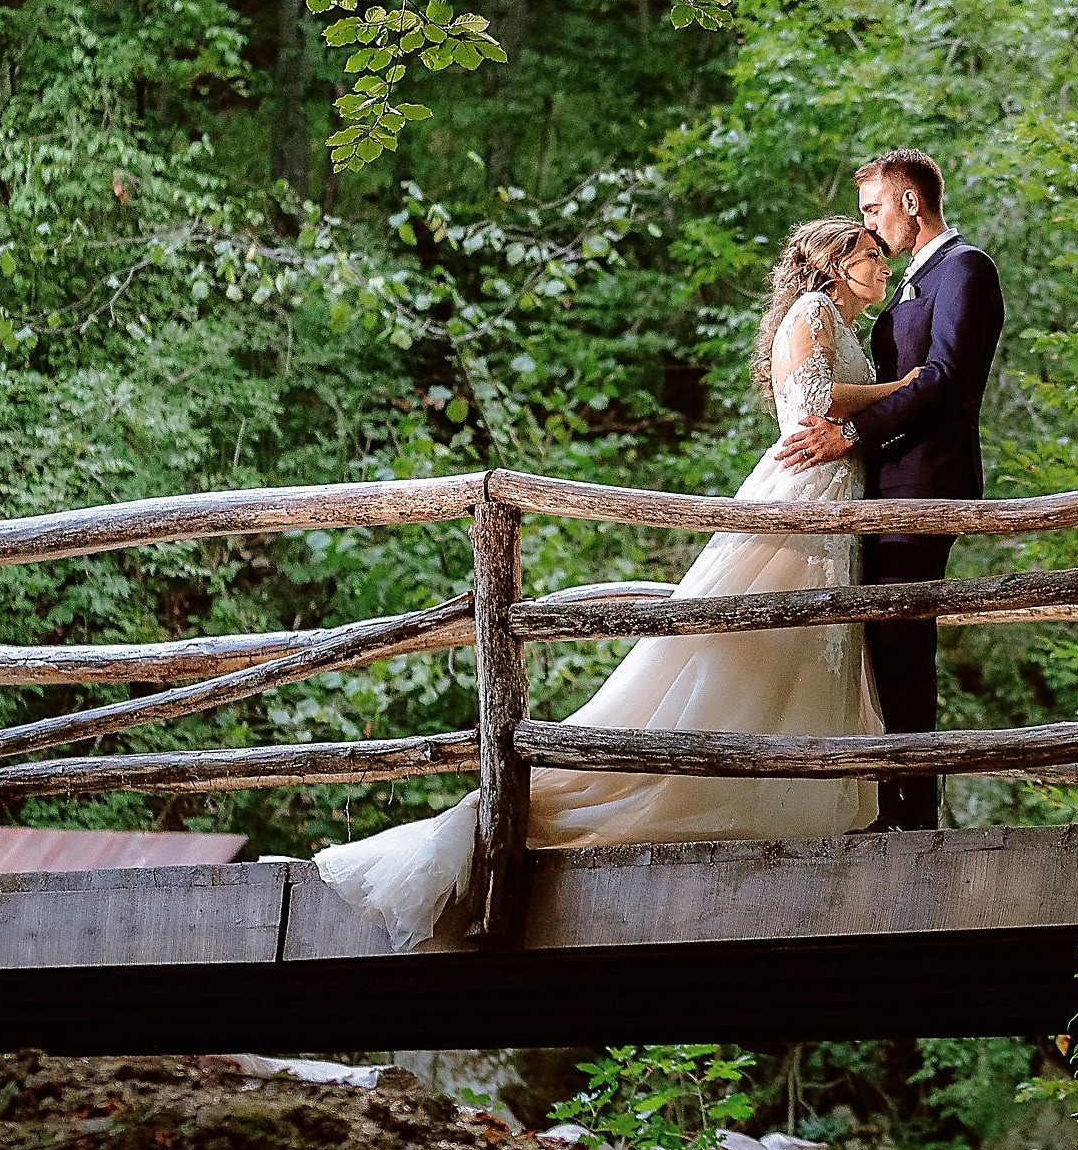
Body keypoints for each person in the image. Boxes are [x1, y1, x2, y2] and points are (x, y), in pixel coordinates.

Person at [315, 218, 917, 949]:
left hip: (832, 496)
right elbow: (817, 403)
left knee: (801, 642)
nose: (884, 266)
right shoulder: (814, 311)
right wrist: (904, 388)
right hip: (803, 492)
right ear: (834, 262)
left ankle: (788, 785)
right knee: (759, 637)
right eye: (871, 255)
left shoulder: (848, 321)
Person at [776, 150, 1004, 830]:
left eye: (875, 207)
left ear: (911, 202)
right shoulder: (910, 284)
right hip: (882, 486)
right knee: (884, 644)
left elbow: (945, 379)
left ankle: (916, 813)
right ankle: (892, 800)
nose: (870, 223)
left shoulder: (966, 270)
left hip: (927, 482)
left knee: (905, 643)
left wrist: (850, 435)